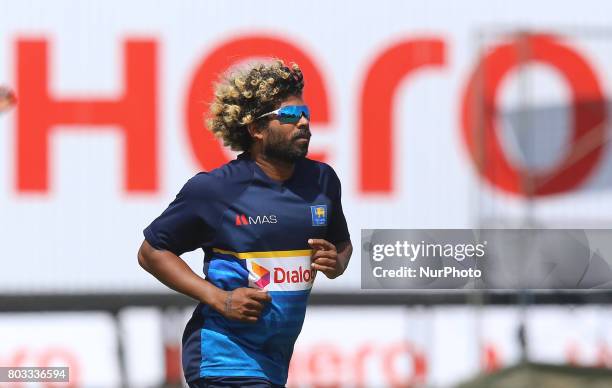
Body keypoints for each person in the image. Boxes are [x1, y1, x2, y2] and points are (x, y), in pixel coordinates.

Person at [138, 59, 353, 388]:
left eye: (306, 113)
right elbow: (152, 252)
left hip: (274, 363)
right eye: (291, 116)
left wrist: (336, 262)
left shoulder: (323, 181)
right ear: (256, 129)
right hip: (222, 356)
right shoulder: (216, 189)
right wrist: (218, 298)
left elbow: (342, 244)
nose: (305, 122)